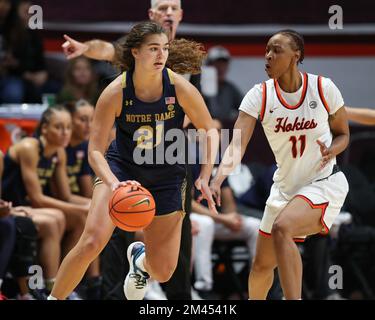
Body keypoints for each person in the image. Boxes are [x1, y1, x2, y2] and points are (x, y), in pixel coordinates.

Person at [48, 21, 218, 301]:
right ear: (136, 53)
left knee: (163, 272)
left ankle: (139, 261)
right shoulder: (115, 92)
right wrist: (114, 184)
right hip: (122, 168)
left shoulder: (178, 87)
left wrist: (205, 174)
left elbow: (209, 130)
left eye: (164, 49)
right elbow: (94, 151)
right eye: (153, 49)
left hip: (167, 175)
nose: (161, 55)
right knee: (92, 241)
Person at [210, 29, 350, 300]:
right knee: (262, 266)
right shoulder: (259, 95)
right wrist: (218, 178)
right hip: (285, 188)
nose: (268, 56)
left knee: (283, 227)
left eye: (276, 50)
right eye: (267, 50)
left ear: (296, 56)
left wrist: (332, 148)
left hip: (323, 182)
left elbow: (343, 133)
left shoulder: (323, 88)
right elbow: (237, 145)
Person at [204, 46, 243, 122]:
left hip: (225, 131)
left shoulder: (230, 89)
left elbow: (248, 110)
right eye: (217, 64)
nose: (220, 68)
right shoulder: (199, 88)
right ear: (208, 66)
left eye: (223, 64)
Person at [65, 100, 95, 198]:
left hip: (77, 200)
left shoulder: (85, 147)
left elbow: (87, 193)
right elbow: (64, 196)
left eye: (92, 120)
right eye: (83, 120)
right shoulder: (59, 146)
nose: (89, 125)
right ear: (70, 120)